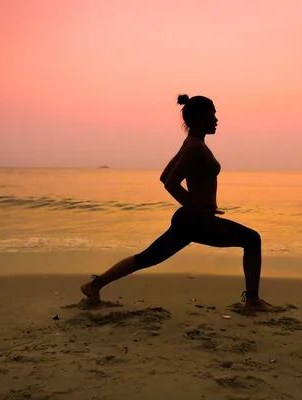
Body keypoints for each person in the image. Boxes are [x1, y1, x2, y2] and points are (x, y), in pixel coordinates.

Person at [80, 94, 275, 311]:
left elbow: (164, 176)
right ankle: (253, 301)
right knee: (252, 239)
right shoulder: (194, 147)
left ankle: (95, 285)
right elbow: (171, 183)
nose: (217, 119)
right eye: (213, 114)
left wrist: (199, 207)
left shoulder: (192, 143)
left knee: (148, 257)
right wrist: (198, 208)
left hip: (191, 219)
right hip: (194, 219)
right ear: (201, 117)